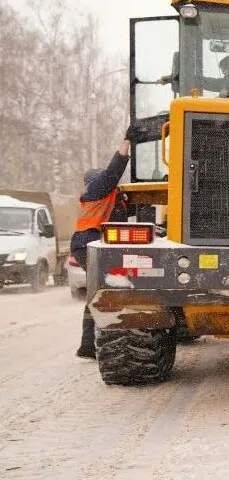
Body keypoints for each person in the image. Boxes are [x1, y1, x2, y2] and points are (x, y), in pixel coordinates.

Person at [73, 128, 138, 359]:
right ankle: (89, 345)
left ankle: (88, 345)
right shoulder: (96, 190)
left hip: (93, 244)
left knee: (99, 291)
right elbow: (113, 173)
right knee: (102, 291)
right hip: (88, 244)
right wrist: (127, 143)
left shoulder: (110, 198)